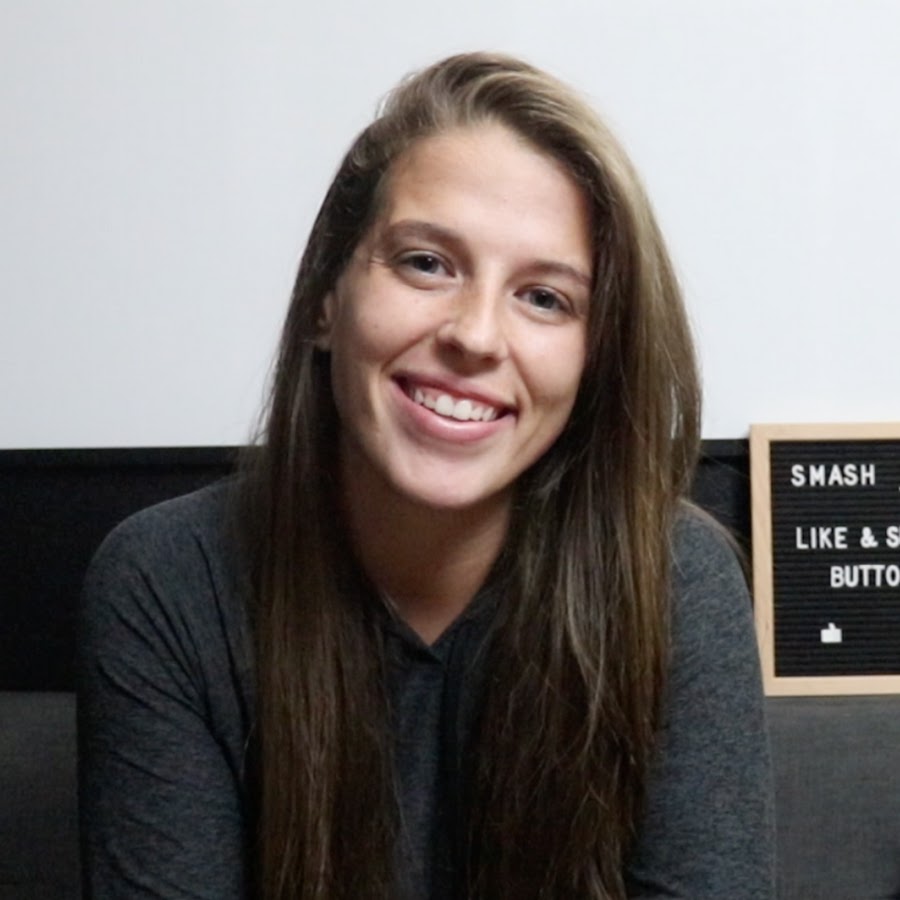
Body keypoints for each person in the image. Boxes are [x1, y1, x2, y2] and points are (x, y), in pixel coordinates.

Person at [78, 52, 774, 899]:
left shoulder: (676, 584)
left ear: (595, 361)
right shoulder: (167, 582)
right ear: (326, 299)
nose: (477, 336)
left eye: (545, 298)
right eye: (425, 263)